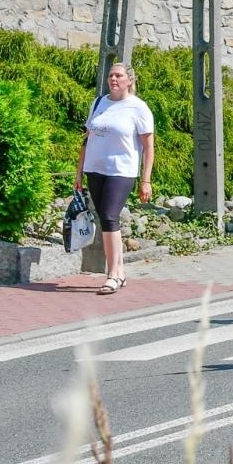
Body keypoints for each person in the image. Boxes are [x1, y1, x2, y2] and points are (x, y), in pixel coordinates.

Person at [74, 63, 154, 295]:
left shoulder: (138, 107)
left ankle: (113, 275)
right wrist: (79, 172)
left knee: (110, 217)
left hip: (121, 170)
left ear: (130, 80)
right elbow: (87, 139)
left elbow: (149, 147)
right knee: (107, 220)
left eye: (118, 75)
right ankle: (120, 272)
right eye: (111, 75)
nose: (113, 79)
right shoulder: (99, 103)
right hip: (95, 169)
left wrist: (146, 180)